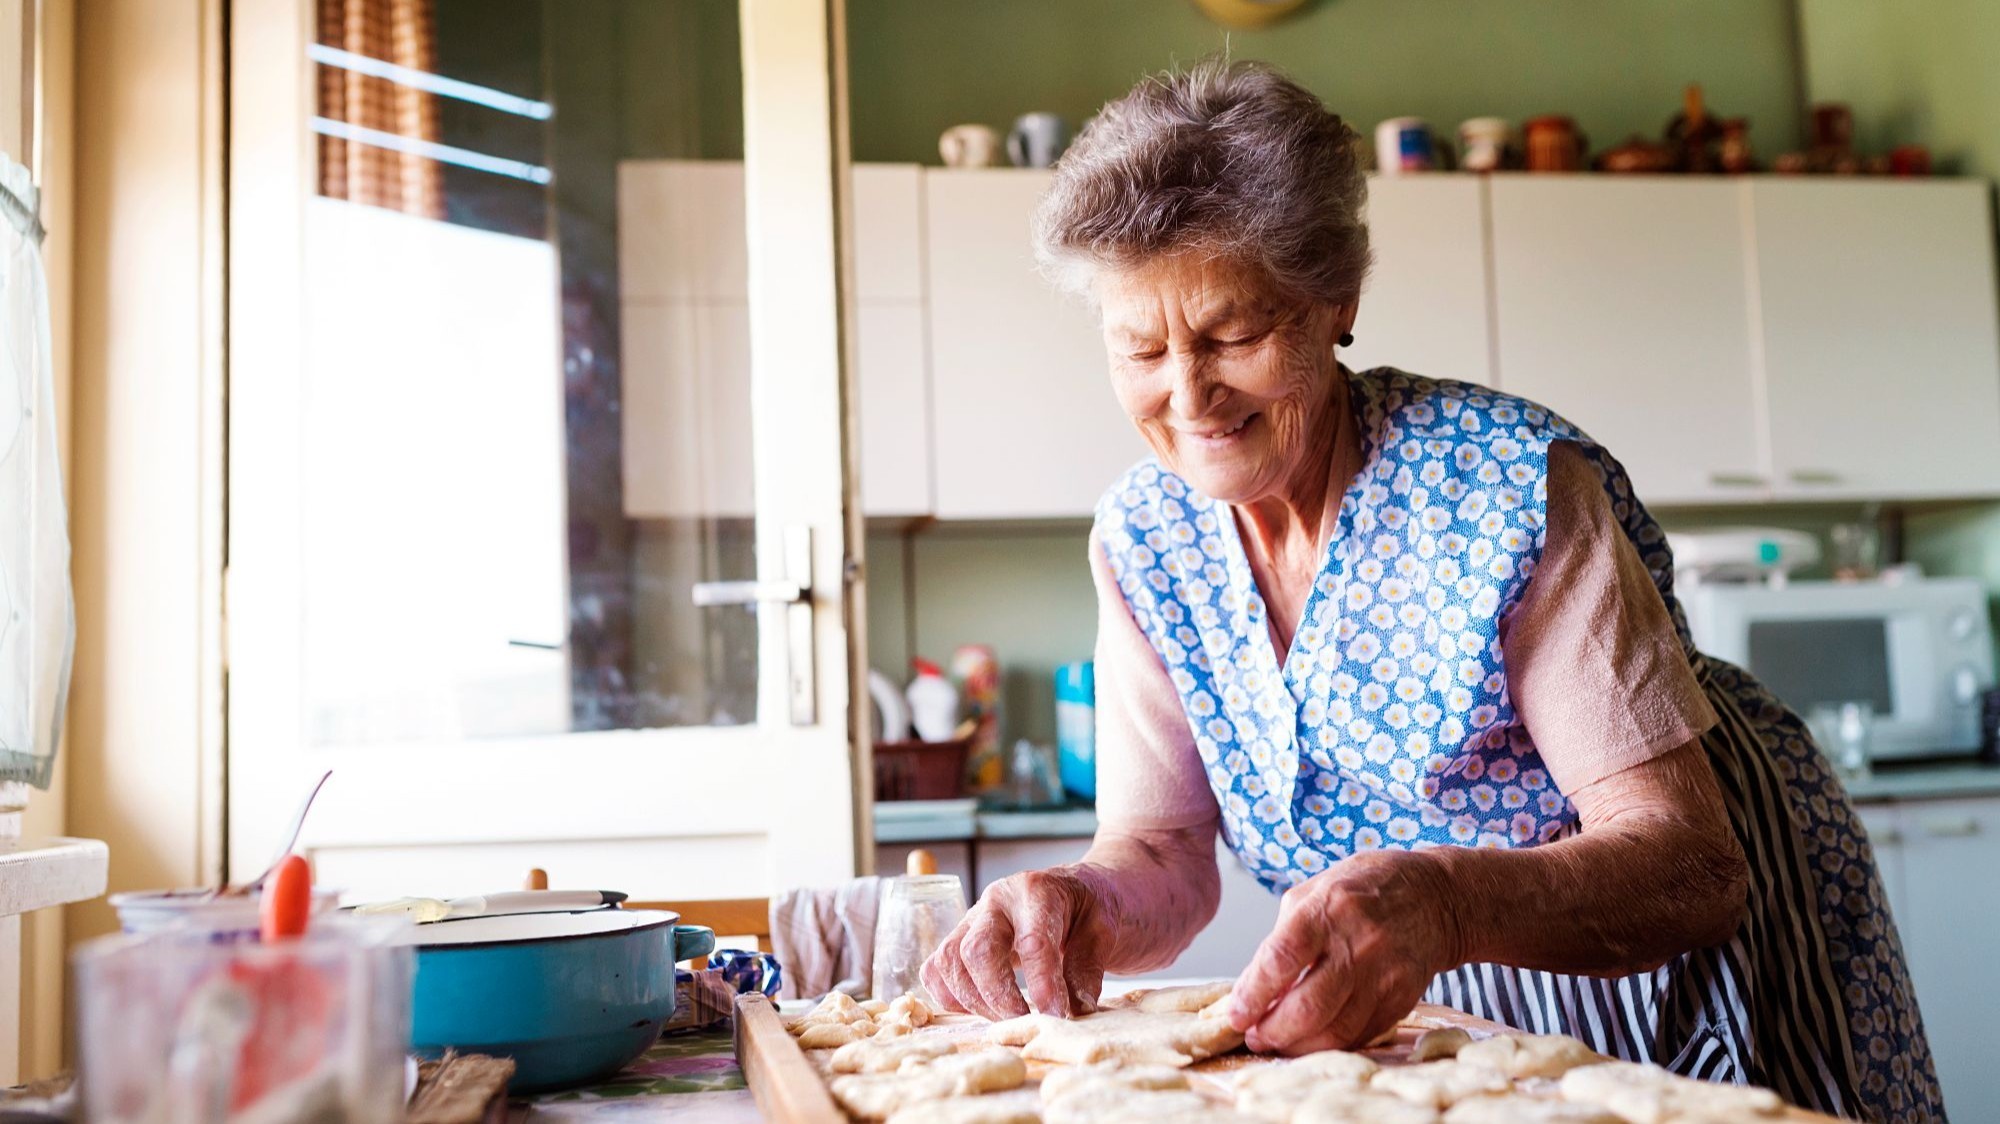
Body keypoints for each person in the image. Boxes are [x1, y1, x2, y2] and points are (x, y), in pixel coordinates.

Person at [918, 59, 1940, 1124]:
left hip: (1673, 921)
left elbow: (1685, 861)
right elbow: (1163, 852)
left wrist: (1444, 902)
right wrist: (1077, 902)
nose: (1187, 393)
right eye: (1138, 346)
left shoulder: (1503, 488)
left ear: (1335, 300)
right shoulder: (1144, 538)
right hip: (1435, 954)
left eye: (1230, 335)